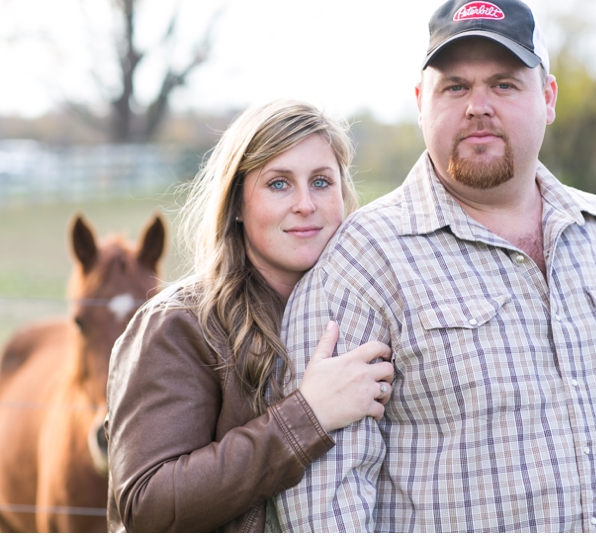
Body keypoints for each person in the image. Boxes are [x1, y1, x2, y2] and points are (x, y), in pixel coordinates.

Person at [274, 0, 596, 532]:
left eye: (504, 83)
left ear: (548, 97)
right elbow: (325, 489)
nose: (478, 104)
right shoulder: (364, 262)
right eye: (455, 86)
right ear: (419, 101)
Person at [104, 100, 395, 532]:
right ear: (237, 203)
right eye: (279, 184)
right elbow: (148, 504)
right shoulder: (179, 324)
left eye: (321, 182)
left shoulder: (364, 314)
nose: (304, 204)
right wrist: (308, 415)